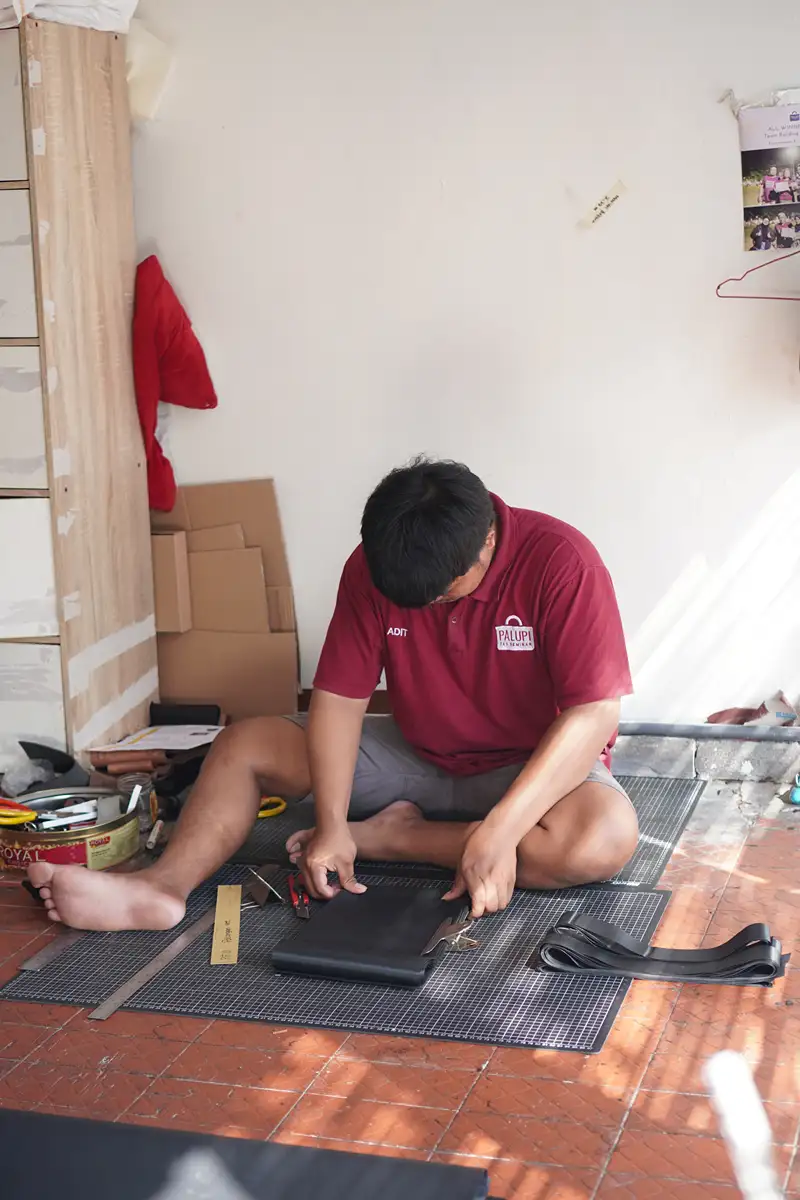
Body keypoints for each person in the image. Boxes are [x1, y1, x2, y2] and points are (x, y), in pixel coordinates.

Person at [28, 459, 638, 930]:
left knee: (602, 838)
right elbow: (342, 700)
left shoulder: (563, 563)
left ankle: (393, 837)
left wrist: (502, 830)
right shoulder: (372, 567)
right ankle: (160, 888)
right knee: (244, 745)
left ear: (485, 543)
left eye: (443, 595)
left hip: (528, 768)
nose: (431, 608)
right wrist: (329, 827)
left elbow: (593, 713)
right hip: (417, 753)